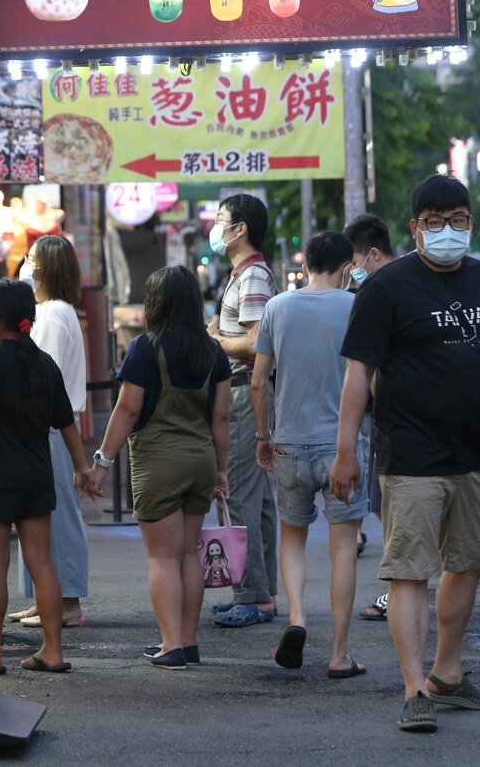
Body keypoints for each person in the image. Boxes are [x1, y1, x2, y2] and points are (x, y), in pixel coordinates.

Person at [329, 174, 480, 733]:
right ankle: (413, 688)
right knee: (410, 573)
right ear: (415, 228)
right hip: (410, 455)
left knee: (470, 564)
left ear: (470, 222)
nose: (448, 231)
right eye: (434, 222)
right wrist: (346, 452)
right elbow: (359, 373)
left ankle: (447, 673)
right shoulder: (389, 287)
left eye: (457, 220)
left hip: (474, 452)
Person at [90, 266, 231, 669]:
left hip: (158, 462)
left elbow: (127, 409)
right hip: (201, 460)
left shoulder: (144, 349)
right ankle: (188, 641)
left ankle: (170, 644)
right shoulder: (214, 353)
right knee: (189, 553)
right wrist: (221, 471)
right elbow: (221, 420)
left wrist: (102, 462)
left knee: (163, 558)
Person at [253, 231, 367, 677]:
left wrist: (264, 434)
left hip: (289, 443)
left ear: (306, 265)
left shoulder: (277, 307)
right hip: (341, 447)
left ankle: (297, 618)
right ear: (344, 268)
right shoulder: (355, 305)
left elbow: (259, 380)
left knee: (293, 537)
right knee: (343, 548)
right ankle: (339, 655)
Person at [0, 279, 92, 675]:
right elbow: (66, 424)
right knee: (43, 562)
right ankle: (52, 651)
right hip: (36, 473)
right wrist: (82, 468)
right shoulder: (44, 363)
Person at [7, 236, 91, 629]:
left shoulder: (54, 314)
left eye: (31, 258)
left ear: (43, 268)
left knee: (57, 518)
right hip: (45, 428)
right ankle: (48, 600)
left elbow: (46, 377)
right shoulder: (52, 311)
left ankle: (67, 603)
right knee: (40, 517)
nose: (25, 263)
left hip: (51, 428)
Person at [206, 194, 280, 629]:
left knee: (238, 495)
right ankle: (261, 592)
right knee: (260, 499)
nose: (216, 229)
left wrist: (216, 340)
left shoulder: (252, 277)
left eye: (221, 221)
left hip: (241, 395)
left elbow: (256, 344)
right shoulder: (245, 275)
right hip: (245, 394)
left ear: (240, 229)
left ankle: (252, 594)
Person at [344, 213, 398, 620]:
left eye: (354, 265)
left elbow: (365, 372)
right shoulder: (412, 281)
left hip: (399, 425)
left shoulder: (381, 291)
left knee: (392, 507)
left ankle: (398, 591)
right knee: (387, 506)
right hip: (397, 423)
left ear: (372, 255)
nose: (352, 275)